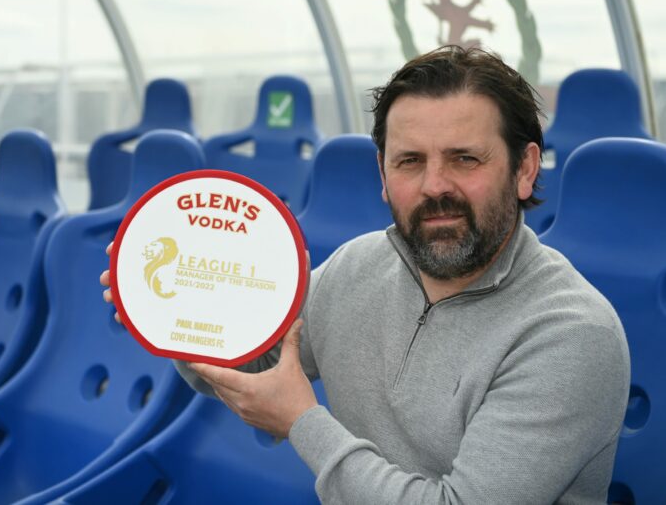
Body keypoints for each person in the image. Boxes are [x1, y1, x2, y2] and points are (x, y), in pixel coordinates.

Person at [101, 45, 630, 504]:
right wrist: (170, 314)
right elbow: (255, 360)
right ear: (382, 174)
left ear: (525, 169)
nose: (434, 186)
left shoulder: (572, 334)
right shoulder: (357, 267)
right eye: (409, 161)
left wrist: (304, 423)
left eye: (465, 159)